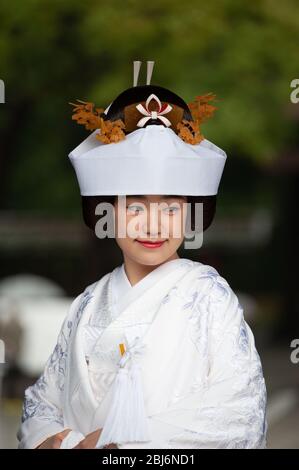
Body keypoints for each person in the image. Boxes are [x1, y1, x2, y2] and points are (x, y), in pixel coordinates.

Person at [17, 61, 267, 449]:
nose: (154, 225)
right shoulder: (88, 303)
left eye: (171, 207)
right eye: (135, 207)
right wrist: (56, 442)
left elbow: (239, 412)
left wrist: (122, 440)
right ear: (107, 211)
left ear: (192, 212)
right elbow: (42, 402)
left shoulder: (209, 298)